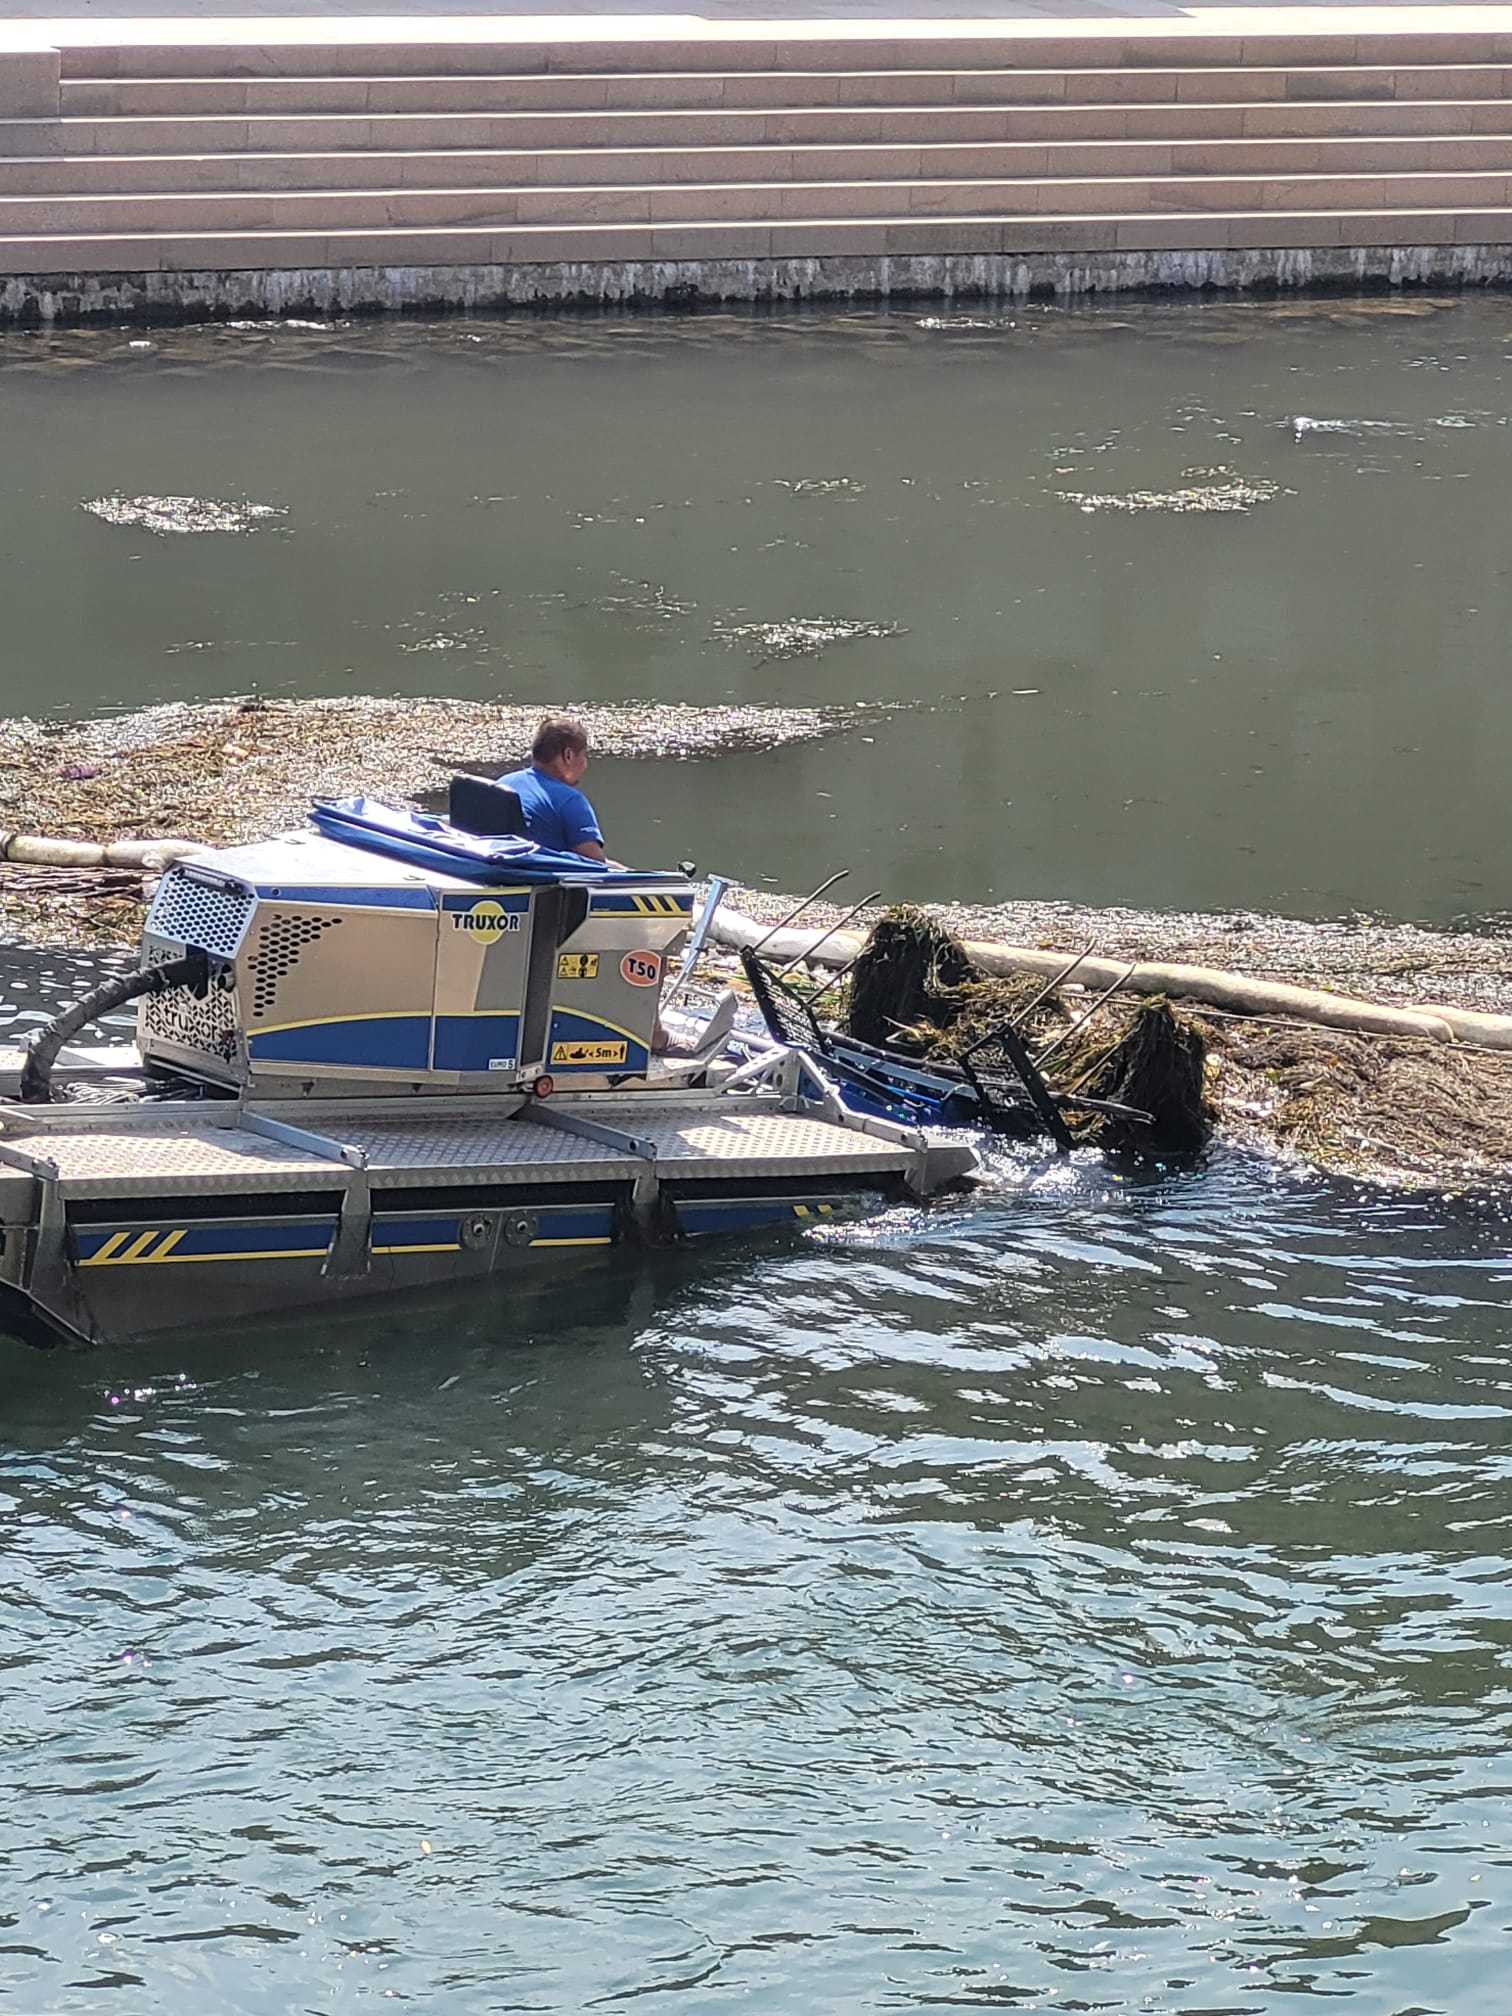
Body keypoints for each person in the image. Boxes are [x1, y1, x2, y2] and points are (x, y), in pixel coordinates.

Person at [499, 717, 607, 862]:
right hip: (537, 879)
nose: (585, 763)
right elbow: (597, 865)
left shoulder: (504, 782)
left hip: (495, 870)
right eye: (583, 755)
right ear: (568, 755)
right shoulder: (571, 801)